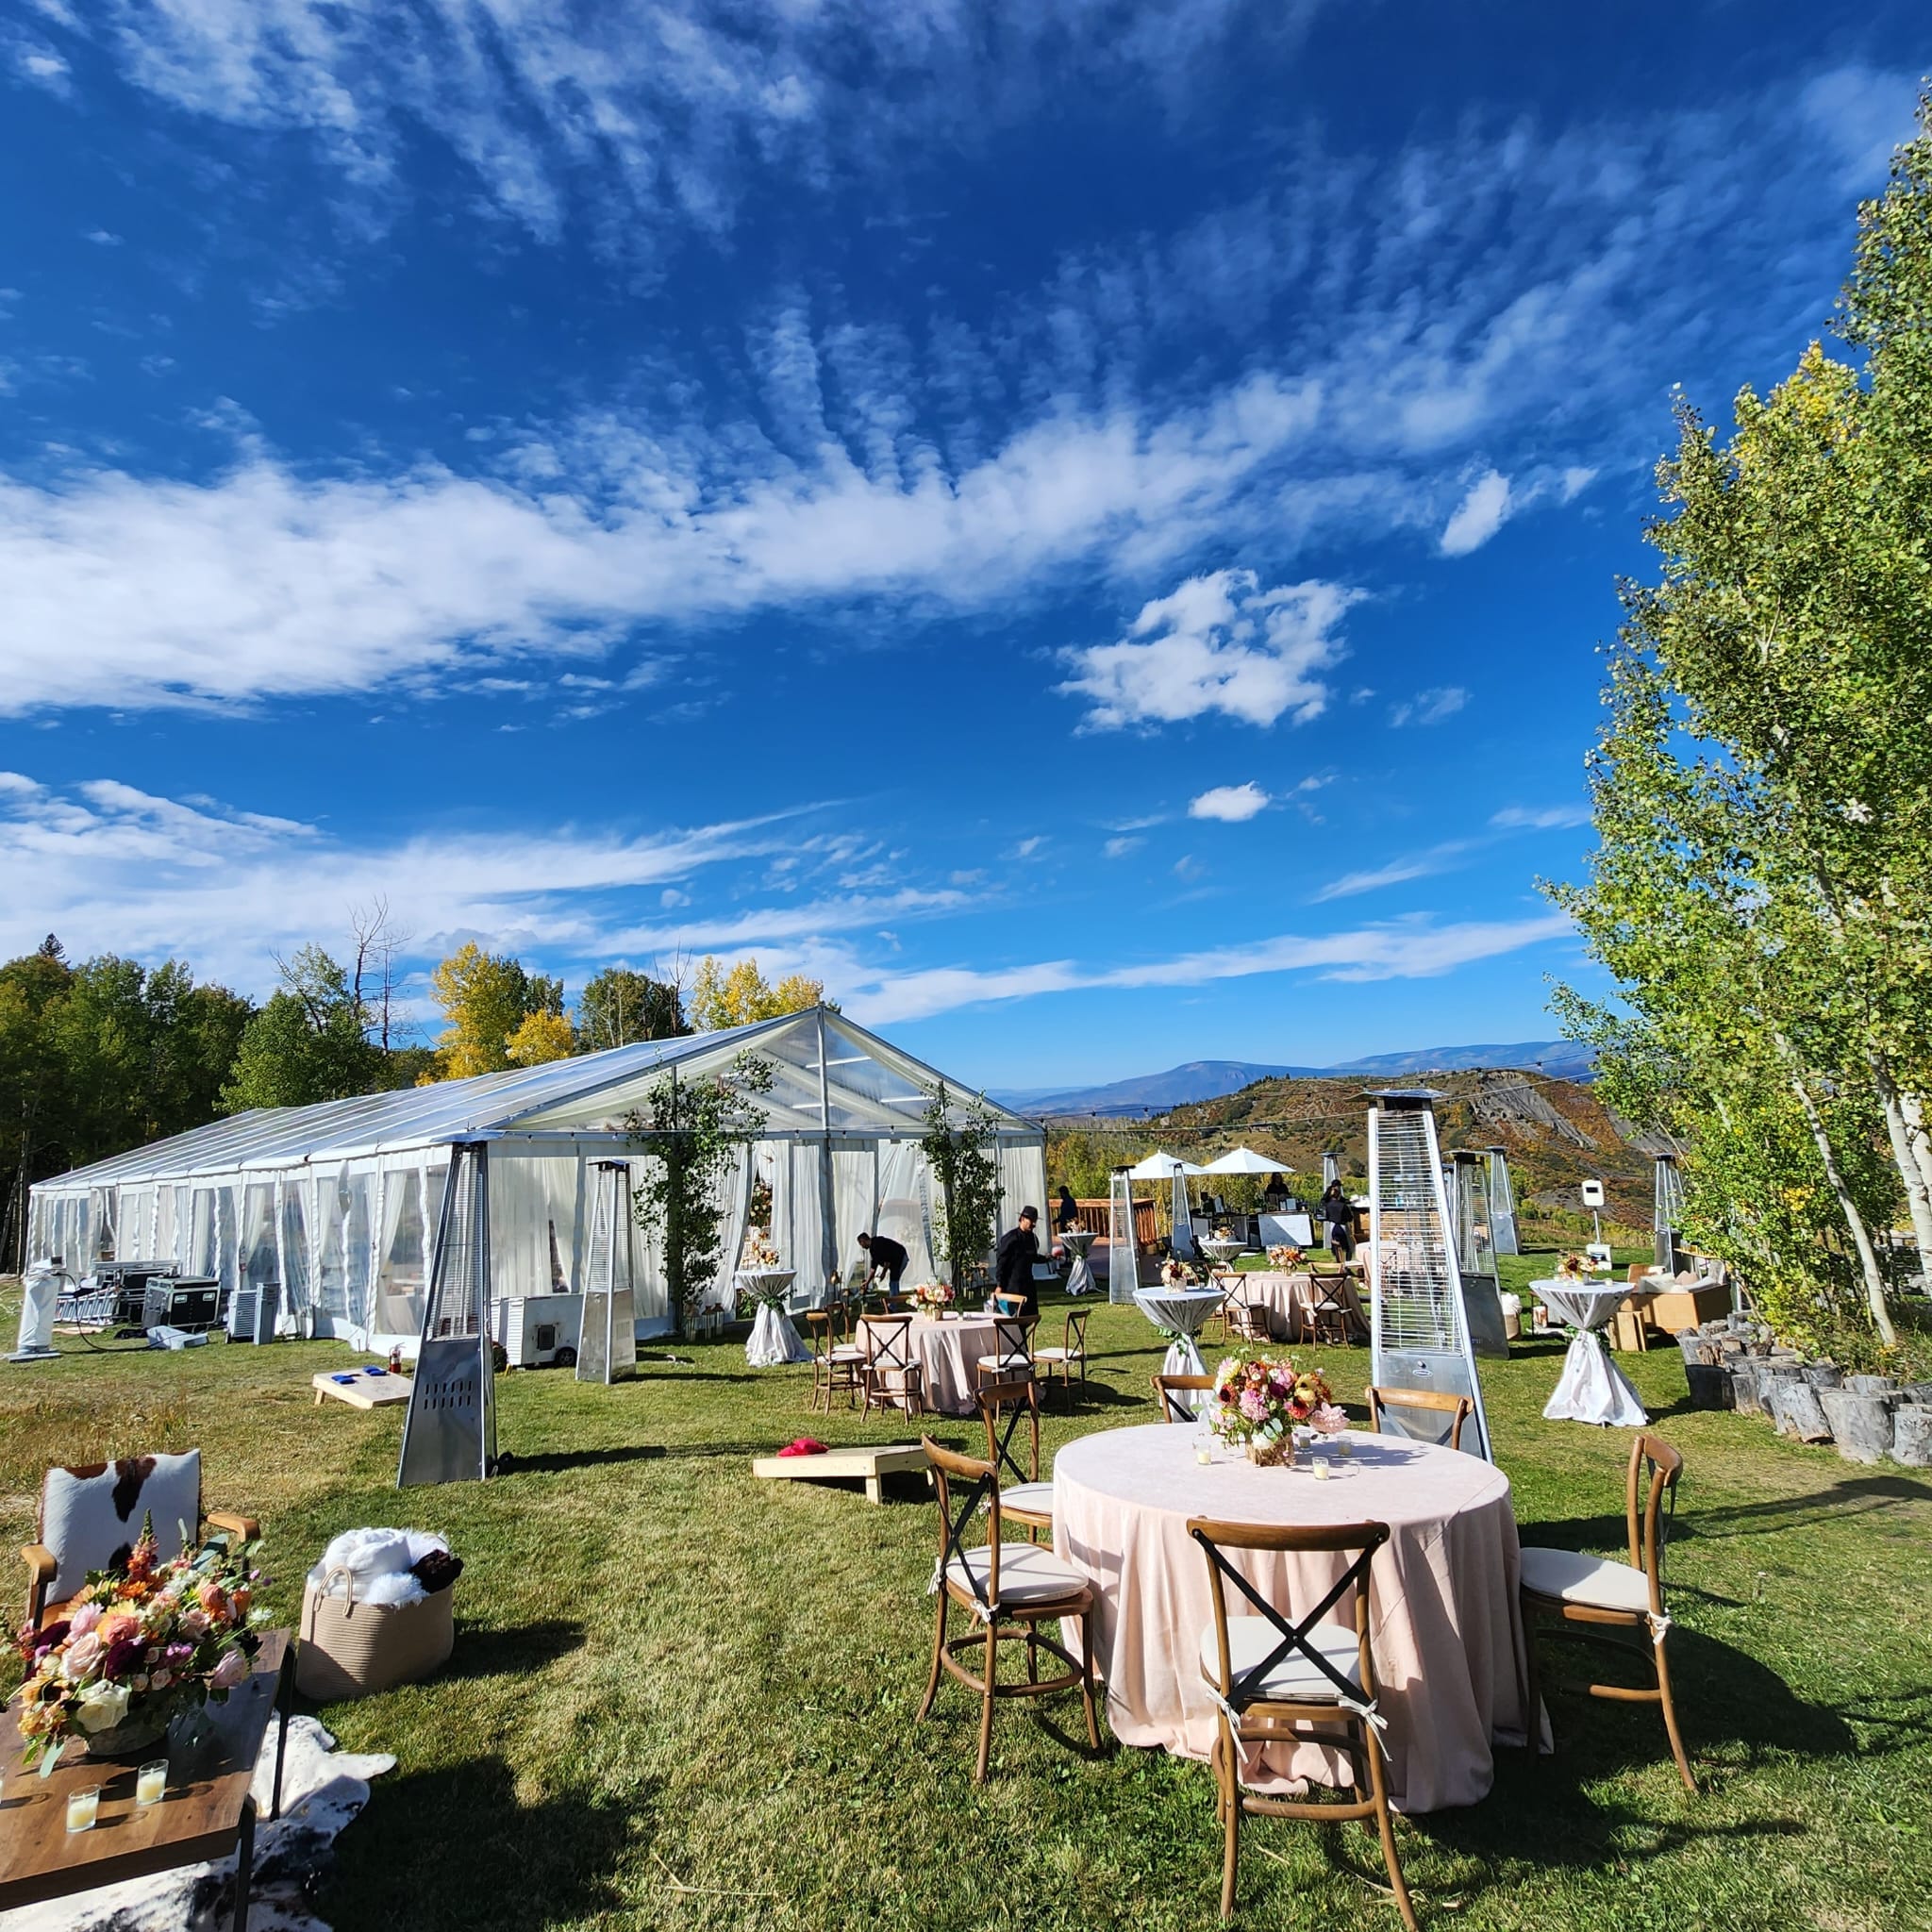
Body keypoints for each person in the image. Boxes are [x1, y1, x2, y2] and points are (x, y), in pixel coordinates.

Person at [993, 1206, 1042, 1322]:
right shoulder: (1010, 1239)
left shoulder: (1033, 1239)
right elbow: (1001, 1263)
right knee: (1014, 1318)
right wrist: (1000, 1285)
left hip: (1028, 1284)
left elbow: (1032, 1257)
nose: (1033, 1225)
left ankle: (1023, 1340)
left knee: (1029, 1318)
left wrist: (1047, 1258)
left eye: (1035, 1222)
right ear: (1022, 1219)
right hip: (1012, 1285)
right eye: (1031, 1221)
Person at [856, 1230, 908, 1296]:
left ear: (863, 1241)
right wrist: (867, 1282)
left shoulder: (878, 1244)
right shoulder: (872, 1250)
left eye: (861, 1244)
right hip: (894, 1261)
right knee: (893, 1281)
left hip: (901, 1257)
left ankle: (893, 1303)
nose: (862, 1247)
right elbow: (873, 1268)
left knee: (894, 1280)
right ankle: (893, 1301)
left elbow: (887, 1261)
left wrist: (883, 1273)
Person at [1322, 1179, 1356, 1264]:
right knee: (1349, 1247)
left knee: (1336, 1245)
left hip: (1333, 1225)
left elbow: (1327, 1216)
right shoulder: (1343, 1205)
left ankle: (1338, 1262)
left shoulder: (1328, 1204)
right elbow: (1349, 1218)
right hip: (1342, 1225)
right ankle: (1347, 1263)